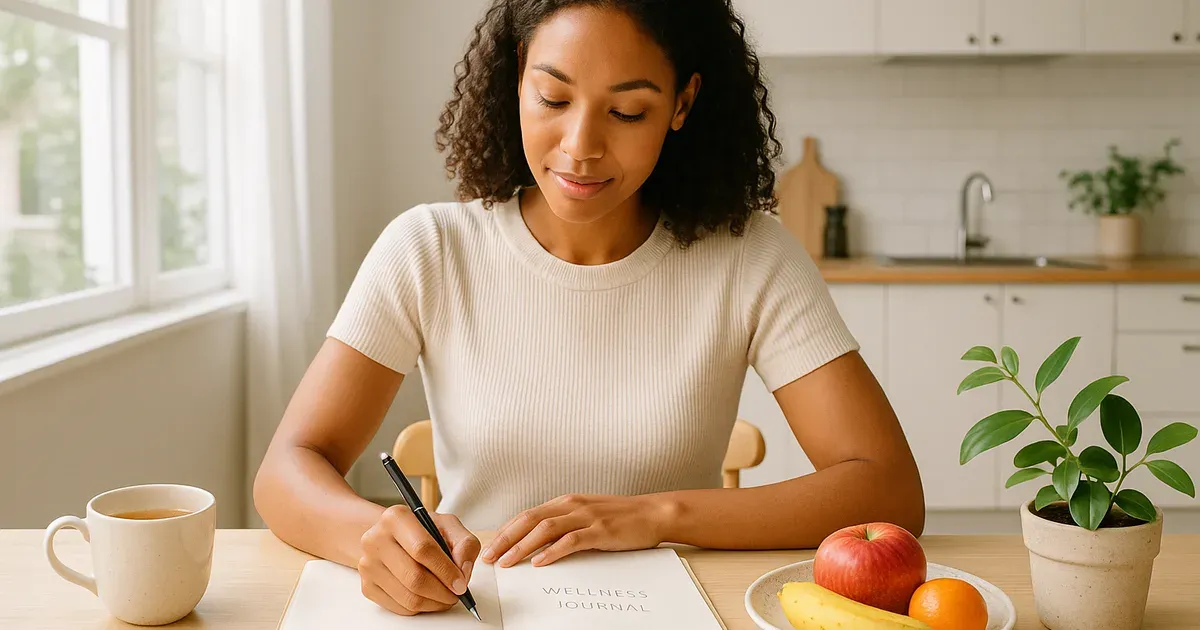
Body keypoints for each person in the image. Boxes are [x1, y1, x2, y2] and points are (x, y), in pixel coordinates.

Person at [253, 0, 925, 618]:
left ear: (683, 103)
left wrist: (658, 515)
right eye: (552, 97)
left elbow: (887, 487)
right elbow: (288, 468)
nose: (580, 145)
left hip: (666, 613)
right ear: (518, 78)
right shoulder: (429, 249)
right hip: (478, 609)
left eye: (627, 112)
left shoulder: (749, 255)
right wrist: (374, 537)